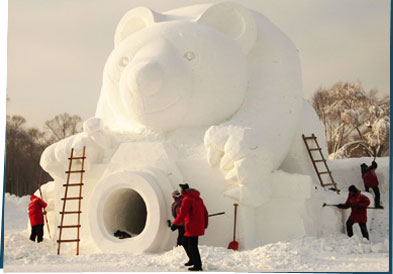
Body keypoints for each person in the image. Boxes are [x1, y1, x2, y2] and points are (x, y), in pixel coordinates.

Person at [172, 183, 208, 271]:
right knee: (184, 242)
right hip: (197, 225)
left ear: (183, 191)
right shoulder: (199, 199)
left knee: (192, 246)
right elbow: (205, 212)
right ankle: (192, 260)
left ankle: (197, 265)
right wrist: (205, 224)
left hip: (191, 226)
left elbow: (182, 213)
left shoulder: (187, 199)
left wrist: (175, 224)